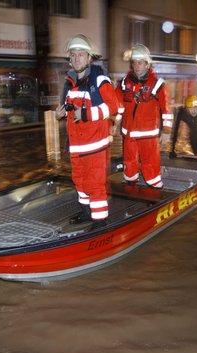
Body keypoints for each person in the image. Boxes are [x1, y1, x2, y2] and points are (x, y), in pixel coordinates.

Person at [56, 34, 120, 229]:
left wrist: (85, 113)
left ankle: (100, 221)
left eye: (81, 54)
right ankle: (86, 213)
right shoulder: (70, 82)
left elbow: (113, 107)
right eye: (73, 55)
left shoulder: (100, 81)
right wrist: (61, 113)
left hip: (95, 146)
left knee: (95, 184)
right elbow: (69, 108)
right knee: (80, 181)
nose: (76, 59)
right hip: (76, 146)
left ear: (89, 57)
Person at [114, 44, 173, 189]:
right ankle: (130, 184)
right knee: (129, 161)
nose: (137, 66)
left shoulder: (158, 84)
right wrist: (114, 124)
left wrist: (166, 131)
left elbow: (167, 109)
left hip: (148, 135)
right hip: (128, 134)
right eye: (134, 62)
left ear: (147, 64)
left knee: (150, 162)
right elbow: (117, 106)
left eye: (140, 62)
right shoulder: (124, 83)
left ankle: (155, 188)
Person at [169, 95, 197, 160]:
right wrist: (172, 149)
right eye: (191, 108)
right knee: (195, 149)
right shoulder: (182, 113)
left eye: (195, 108)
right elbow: (175, 131)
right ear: (187, 109)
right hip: (193, 132)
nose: (193, 111)